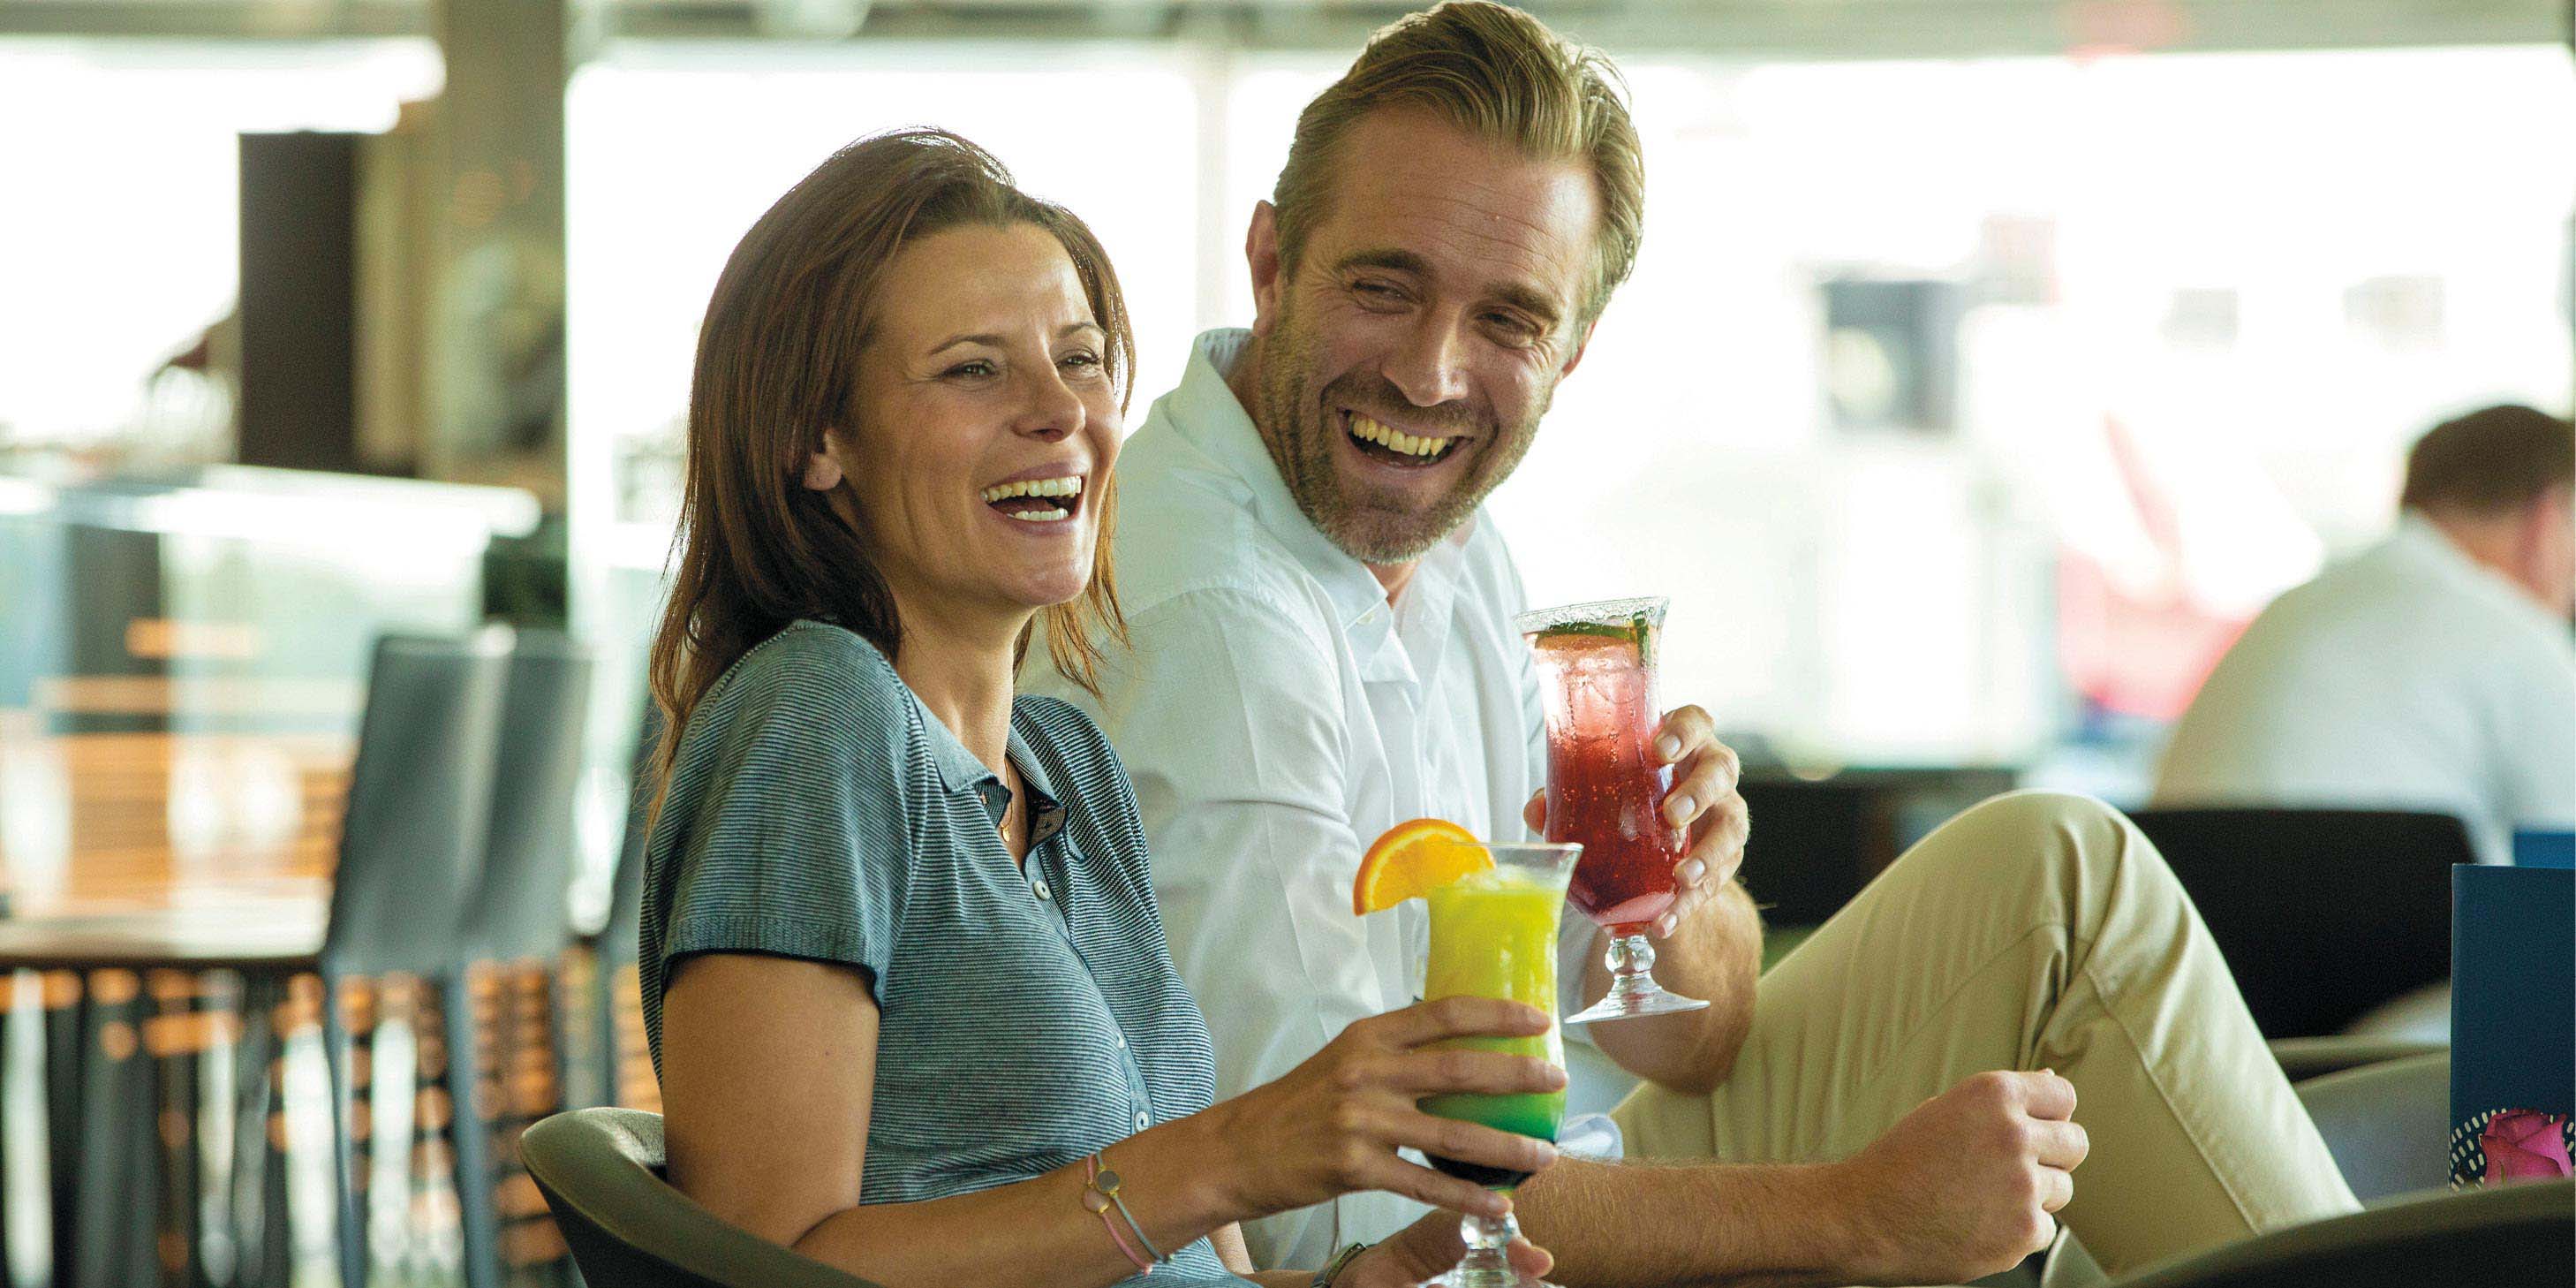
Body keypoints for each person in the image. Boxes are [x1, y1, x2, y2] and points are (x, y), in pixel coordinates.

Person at [1023, 4, 2360, 1283]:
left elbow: (1694, 1043)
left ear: (1572, 352)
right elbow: (1342, 1214)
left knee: (2056, 871)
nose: (1430, 374)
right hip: (1448, 1233)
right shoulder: (1216, 620)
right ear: (1271, 264)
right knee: (2060, 923)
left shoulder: (1450, 547)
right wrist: (1857, 1215)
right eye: (1386, 286)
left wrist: (1672, 893)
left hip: (1560, 1162)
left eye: (1507, 320)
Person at [638, 127, 1564, 1288]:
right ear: (816, 439)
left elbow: (1195, 1268)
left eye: (1079, 360)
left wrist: (1337, 1285)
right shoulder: (816, 716)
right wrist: (1228, 1152)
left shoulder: (1065, 760)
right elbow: (755, 1266)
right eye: (975, 368)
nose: (1058, 411)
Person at [2155, 404, 2576, 865]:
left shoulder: (2298, 609)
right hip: (2384, 930)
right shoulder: (2516, 635)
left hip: (2188, 921)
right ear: (2548, 517)